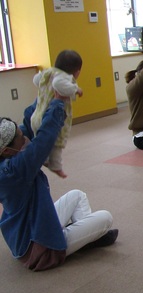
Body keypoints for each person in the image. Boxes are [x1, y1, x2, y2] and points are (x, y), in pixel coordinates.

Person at [0, 98, 118, 272]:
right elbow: (44, 140)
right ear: (7, 151)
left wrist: (47, 97)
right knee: (105, 218)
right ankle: (83, 239)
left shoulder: (8, 157)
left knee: (77, 195)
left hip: (30, 230)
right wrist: (57, 105)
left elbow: (28, 125)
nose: (24, 137)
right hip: (38, 249)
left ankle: (86, 238)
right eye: (19, 137)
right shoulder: (12, 171)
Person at [30, 50, 84, 179]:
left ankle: (45, 158)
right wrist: (76, 89)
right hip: (50, 118)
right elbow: (58, 84)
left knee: (42, 140)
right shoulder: (64, 77)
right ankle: (56, 166)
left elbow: (36, 80)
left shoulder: (48, 72)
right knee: (57, 143)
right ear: (77, 72)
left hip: (36, 116)